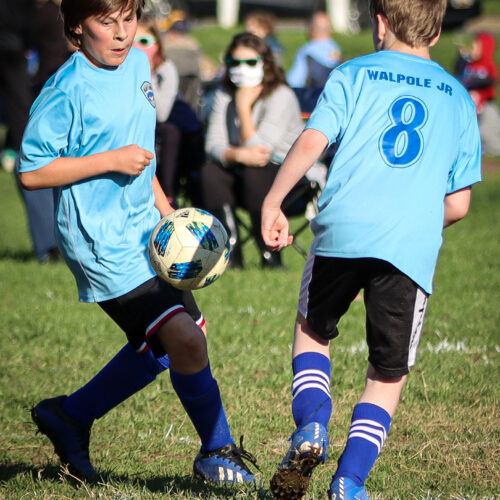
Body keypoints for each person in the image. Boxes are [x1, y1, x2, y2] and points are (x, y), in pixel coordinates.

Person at [17, 0, 257, 485]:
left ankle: (70, 416)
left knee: (184, 341)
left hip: (146, 229)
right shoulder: (66, 88)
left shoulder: (138, 65)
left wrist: (168, 214)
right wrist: (109, 160)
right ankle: (216, 451)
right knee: (183, 338)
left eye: (129, 19)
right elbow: (32, 171)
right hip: (100, 240)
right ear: (77, 27)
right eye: (106, 22)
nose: (122, 33)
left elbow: (141, 154)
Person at [261, 0, 482, 498]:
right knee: (386, 373)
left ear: (380, 23)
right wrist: (411, 220)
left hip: (342, 229)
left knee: (313, 330)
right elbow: (459, 204)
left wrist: (274, 201)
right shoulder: (458, 97)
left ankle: (312, 425)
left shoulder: (352, 73)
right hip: (408, 247)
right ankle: (349, 481)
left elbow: (313, 140)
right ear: (437, 30)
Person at [202, 32, 304, 269]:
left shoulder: (281, 95)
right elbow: (212, 145)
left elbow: (261, 151)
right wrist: (237, 155)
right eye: (235, 62)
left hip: (288, 176)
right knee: (210, 173)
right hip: (240, 167)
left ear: (265, 63)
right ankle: (230, 250)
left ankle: (269, 252)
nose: (242, 68)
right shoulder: (223, 94)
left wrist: (243, 107)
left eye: (250, 62)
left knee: (255, 172)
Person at [0, 0, 59, 262]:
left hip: (35, 94)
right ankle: (50, 245)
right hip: (20, 67)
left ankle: (51, 244)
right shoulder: (48, 14)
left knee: (30, 159)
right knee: (30, 160)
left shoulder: (51, 15)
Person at [133, 14, 205, 206]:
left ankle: (168, 194)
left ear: (157, 44)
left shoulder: (166, 69)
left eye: (144, 41)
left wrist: (145, 76)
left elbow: (161, 113)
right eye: (132, 42)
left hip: (162, 125)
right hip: (135, 125)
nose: (138, 47)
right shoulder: (120, 69)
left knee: (170, 132)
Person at [455, 32, 500, 157]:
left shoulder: (488, 65)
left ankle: (494, 148)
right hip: (470, 106)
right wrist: (461, 58)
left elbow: (491, 80)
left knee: (486, 129)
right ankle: (476, 148)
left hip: (484, 105)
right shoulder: (469, 64)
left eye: (477, 46)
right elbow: (458, 72)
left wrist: (475, 80)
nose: (473, 48)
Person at [286, 11, 342, 89]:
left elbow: (294, 82)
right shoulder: (337, 50)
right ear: (330, 31)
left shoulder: (306, 52)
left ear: (311, 29)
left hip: (314, 94)